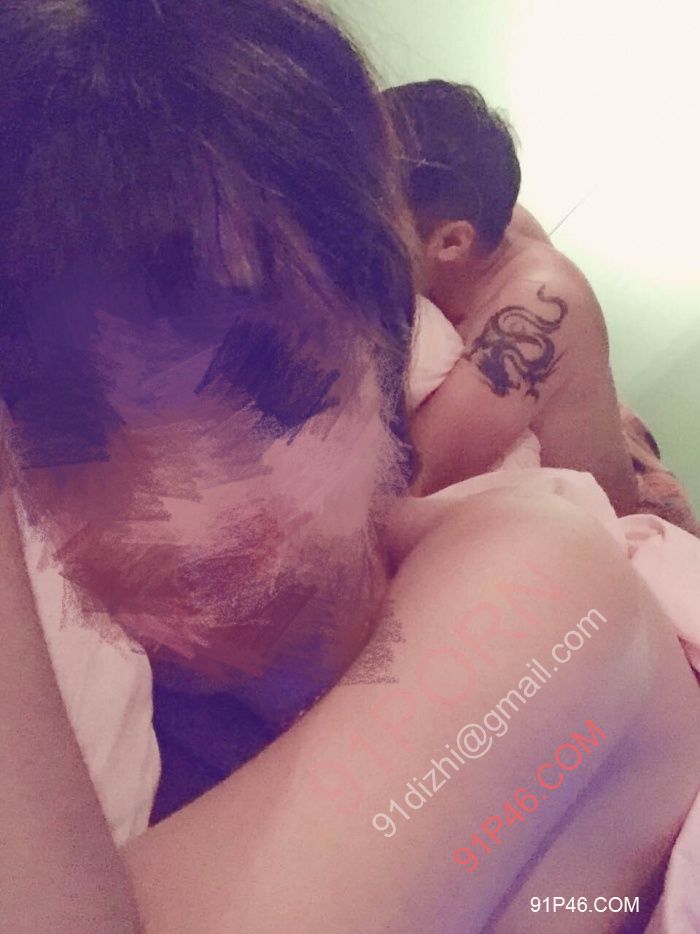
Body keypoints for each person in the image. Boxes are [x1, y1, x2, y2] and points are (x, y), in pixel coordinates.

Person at [2, 3, 700, 932]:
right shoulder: (116, 716)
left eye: (271, 384)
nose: (178, 511)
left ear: (384, 357)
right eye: (67, 426)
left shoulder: (544, 580)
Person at [383, 81, 640, 514]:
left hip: (590, 528)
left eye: (374, 211)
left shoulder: (537, 307)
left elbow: (409, 484)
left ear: (451, 242)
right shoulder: (490, 221)